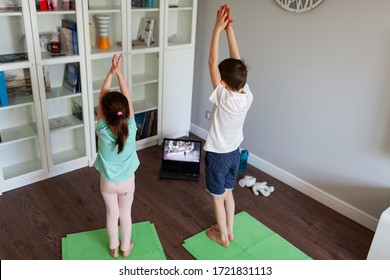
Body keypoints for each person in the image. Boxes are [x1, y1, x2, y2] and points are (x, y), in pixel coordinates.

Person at [204, 4, 253, 247]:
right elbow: (237, 65)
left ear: (222, 82)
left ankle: (222, 237)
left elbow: (212, 62)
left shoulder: (223, 97)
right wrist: (229, 31)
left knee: (217, 197)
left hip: (218, 155)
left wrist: (216, 29)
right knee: (229, 192)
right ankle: (230, 230)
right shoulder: (246, 95)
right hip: (234, 153)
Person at [94, 54, 140, 258]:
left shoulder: (102, 130)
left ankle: (113, 249)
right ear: (126, 113)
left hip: (108, 184)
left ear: (103, 114)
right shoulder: (130, 127)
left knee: (111, 215)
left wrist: (110, 73)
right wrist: (120, 74)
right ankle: (125, 248)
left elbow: (102, 95)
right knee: (125, 215)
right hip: (127, 182)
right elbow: (127, 97)